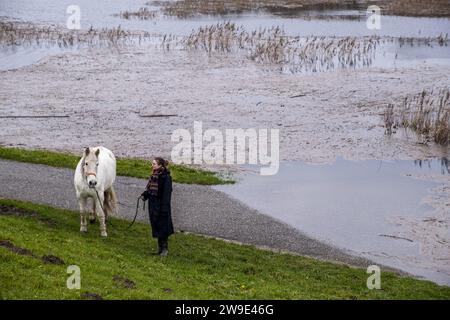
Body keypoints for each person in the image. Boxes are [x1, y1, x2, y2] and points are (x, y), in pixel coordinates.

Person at [141, 157, 174, 256]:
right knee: (157, 225)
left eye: (154, 164)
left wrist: (164, 209)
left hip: (162, 207)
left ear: (160, 165)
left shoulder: (166, 177)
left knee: (163, 226)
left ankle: (164, 249)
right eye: (152, 163)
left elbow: (167, 194)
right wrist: (145, 195)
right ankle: (160, 249)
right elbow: (150, 189)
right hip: (153, 205)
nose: (152, 165)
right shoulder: (154, 175)